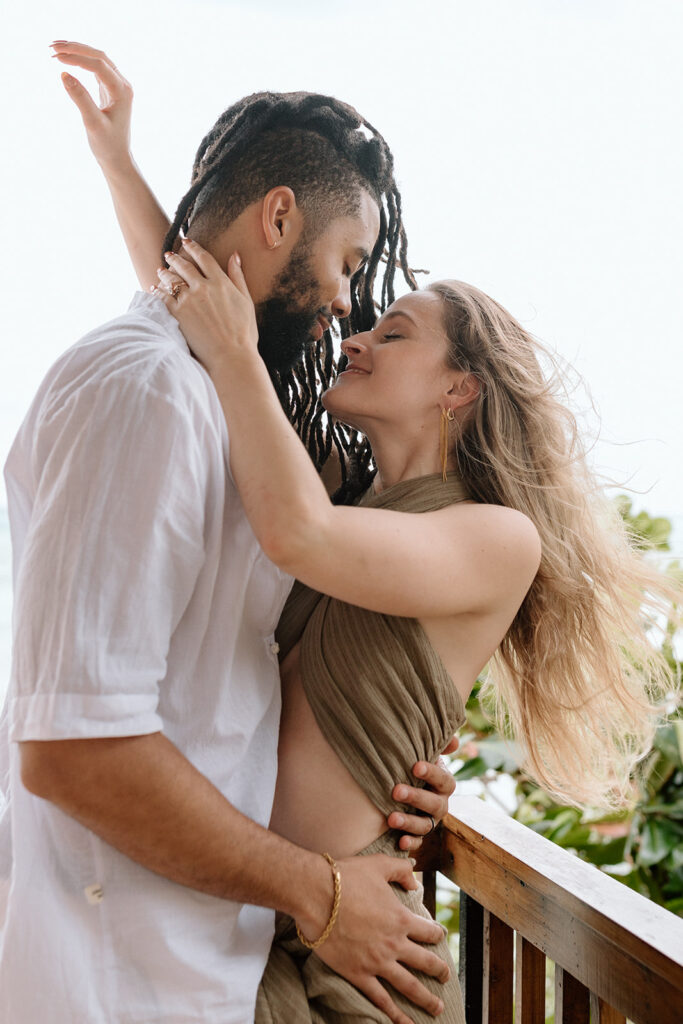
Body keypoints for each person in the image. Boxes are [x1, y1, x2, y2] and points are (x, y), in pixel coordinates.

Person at [0, 46, 460, 1024]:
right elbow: (74, 748)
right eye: (344, 263)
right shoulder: (149, 390)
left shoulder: (206, 386)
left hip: (190, 959)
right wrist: (320, 891)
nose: (346, 302)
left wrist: (376, 760)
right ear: (279, 217)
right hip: (118, 979)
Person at [151, 243, 679, 1023]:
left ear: (457, 388)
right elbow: (189, 286)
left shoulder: (497, 537)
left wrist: (234, 351)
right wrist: (112, 151)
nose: (354, 341)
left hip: (364, 950)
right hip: (253, 909)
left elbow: (300, 537)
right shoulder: (337, 489)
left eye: (392, 334)